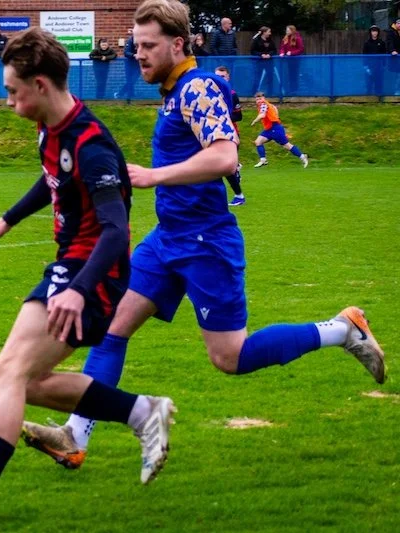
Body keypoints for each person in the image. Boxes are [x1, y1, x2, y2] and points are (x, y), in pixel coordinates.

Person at [21, 0, 384, 471]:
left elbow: (225, 157)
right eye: (135, 45)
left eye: (148, 45)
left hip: (207, 242)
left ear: (178, 44)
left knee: (230, 357)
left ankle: (343, 330)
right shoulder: (174, 92)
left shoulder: (197, 88)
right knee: (113, 327)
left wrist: (153, 176)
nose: (138, 54)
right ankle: (75, 434)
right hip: (168, 238)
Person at [0, 26, 176, 525]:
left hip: (93, 274)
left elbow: (116, 230)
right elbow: (52, 179)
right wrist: (6, 220)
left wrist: (79, 290)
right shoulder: (52, 127)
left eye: (13, 91)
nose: (8, 101)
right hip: (73, 267)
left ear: (41, 85)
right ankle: (142, 412)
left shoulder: (91, 145)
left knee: (8, 372)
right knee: (28, 381)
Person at [251, 92, 308, 167]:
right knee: (258, 141)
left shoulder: (263, 104)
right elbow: (276, 112)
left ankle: (303, 157)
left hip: (275, 128)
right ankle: (263, 160)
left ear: (264, 98)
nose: (259, 101)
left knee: (287, 145)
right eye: (257, 99)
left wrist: (254, 121)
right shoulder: (270, 105)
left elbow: (262, 115)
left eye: (260, 99)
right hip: (269, 129)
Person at [215, 66, 245, 206]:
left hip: (230, 134)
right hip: (214, 134)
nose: (219, 79)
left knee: (224, 166)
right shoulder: (209, 93)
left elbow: (239, 116)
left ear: (228, 78)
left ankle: (239, 195)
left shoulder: (232, 94)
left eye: (222, 76)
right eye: (217, 76)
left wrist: (223, 118)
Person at [251, 26, 278, 96]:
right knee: (257, 77)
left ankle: (270, 93)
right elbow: (253, 51)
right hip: (259, 62)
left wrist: (269, 54)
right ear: (264, 32)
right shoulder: (256, 40)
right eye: (269, 32)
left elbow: (274, 50)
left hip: (269, 62)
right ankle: (254, 92)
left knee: (270, 77)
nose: (270, 33)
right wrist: (261, 55)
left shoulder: (270, 40)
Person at [279, 25, 304, 96]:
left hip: (295, 60)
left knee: (294, 75)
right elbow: (282, 47)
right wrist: (282, 53)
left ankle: (294, 91)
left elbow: (301, 49)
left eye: (288, 30)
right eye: (286, 30)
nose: (286, 31)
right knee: (289, 75)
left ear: (292, 31)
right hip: (287, 60)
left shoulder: (297, 38)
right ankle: (290, 90)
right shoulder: (285, 38)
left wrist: (292, 53)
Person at [363, 25, 387, 96]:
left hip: (379, 66)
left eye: (376, 31)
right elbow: (364, 55)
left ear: (378, 32)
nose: (374, 33)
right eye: (373, 31)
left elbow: (384, 54)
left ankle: (379, 97)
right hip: (370, 66)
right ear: (370, 32)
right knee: (369, 82)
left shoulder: (382, 43)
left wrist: (384, 65)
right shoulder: (367, 43)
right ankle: (368, 97)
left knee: (379, 82)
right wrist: (365, 66)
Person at [115, 29, 139, 100]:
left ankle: (122, 94)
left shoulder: (141, 41)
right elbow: (126, 53)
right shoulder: (130, 41)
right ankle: (125, 95)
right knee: (130, 81)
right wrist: (133, 55)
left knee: (133, 80)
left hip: (137, 65)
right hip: (129, 65)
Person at [387, 19, 400, 95]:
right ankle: (396, 91)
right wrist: (392, 50)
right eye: (398, 23)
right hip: (394, 57)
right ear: (395, 24)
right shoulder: (391, 32)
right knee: (396, 75)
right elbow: (389, 42)